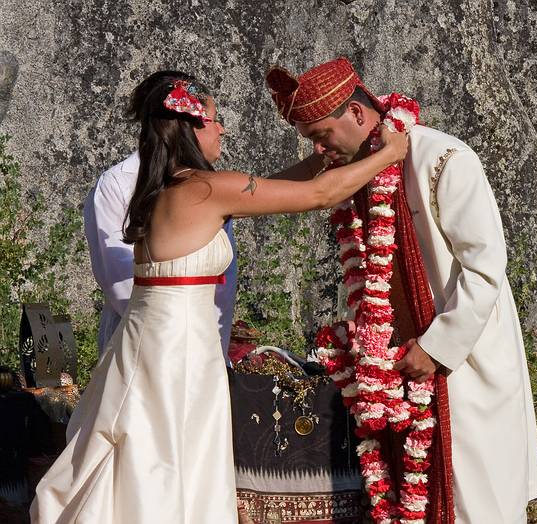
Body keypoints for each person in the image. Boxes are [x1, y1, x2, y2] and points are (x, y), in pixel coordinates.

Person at [30, 71, 408, 523]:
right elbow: (319, 195)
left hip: (167, 343)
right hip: (175, 351)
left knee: (167, 459)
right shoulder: (205, 189)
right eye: (213, 119)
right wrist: (389, 153)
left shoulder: (178, 186)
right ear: (191, 128)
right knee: (165, 461)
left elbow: (290, 183)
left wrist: (323, 153)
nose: (223, 128)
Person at [266, 57, 537, 523]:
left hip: (463, 360)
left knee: (475, 499)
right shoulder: (357, 167)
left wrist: (438, 347)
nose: (319, 151)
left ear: (356, 114)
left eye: (322, 136)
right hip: (399, 365)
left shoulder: (443, 159)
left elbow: (485, 267)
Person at [84, 71, 237, 362]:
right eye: (214, 120)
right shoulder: (118, 184)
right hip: (148, 352)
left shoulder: (210, 186)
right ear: (186, 125)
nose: (222, 130)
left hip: (207, 351)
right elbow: (122, 285)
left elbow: (223, 280)